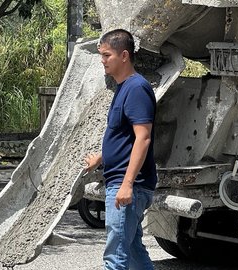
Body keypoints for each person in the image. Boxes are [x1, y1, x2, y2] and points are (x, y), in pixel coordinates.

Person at [84, 29, 157, 270]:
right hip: (123, 182)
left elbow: (142, 138)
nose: (102, 61)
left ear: (124, 55)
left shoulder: (136, 88)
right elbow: (125, 139)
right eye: (101, 55)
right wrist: (102, 159)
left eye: (107, 55)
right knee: (134, 252)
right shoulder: (123, 88)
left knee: (115, 258)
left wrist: (127, 184)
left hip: (128, 186)